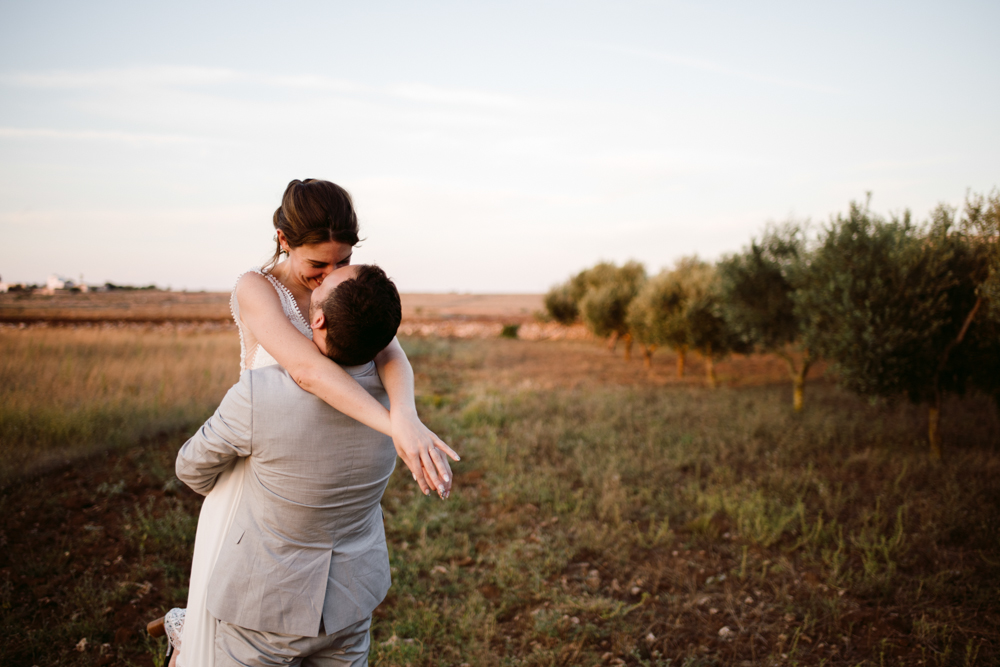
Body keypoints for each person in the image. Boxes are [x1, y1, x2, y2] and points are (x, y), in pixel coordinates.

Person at [162, 179, 458, 667]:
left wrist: (406, 415)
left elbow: (391, 352)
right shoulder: (256, 288)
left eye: (341, 263)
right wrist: (390, 426)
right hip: (260, 462)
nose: (328, 277)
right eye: (317, 265)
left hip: (317, 469)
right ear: (283, 239)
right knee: (221, 609)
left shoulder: (345, 288)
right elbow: (307, 371)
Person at [176, 263, 404, 666]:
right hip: (351, 604)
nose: (323, 273)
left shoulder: (259, 393)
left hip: (264, 609)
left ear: (317, 320)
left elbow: (190, 468)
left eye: (330, 278)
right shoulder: (397, 407)